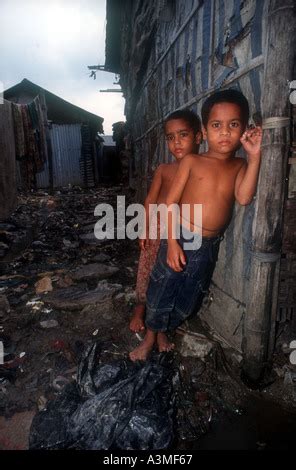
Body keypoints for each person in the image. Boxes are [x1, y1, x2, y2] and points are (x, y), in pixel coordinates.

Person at [129, 88, 263, 361]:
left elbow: (244, 197)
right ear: (205, 130)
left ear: (244, 130)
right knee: (162, 287)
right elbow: (168, 203)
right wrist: (172, 244)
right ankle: (150, 336)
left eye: (233, 125)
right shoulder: (192, 161)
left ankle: (165, 327)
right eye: (217, 125)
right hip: (179, 236)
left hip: (208, 246)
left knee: (189, 295)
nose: (224, 132)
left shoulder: (238, 165)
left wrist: (255, 156)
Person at [130, 109, 202, 337]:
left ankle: (161, 325)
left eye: (183, 135)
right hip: (158, 226)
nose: (176, 142)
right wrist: (144, 227)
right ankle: (140, 308)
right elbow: (151, 199)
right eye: (171, 137)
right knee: (147, 271)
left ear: (198, 137)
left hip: (181, 231)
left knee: (170, 277)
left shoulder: (202, 168)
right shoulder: (164, 169)